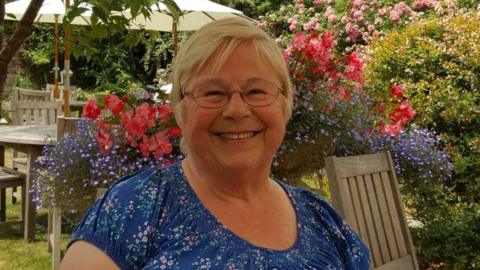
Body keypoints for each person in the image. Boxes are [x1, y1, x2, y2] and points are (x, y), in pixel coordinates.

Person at [60, 17, 371, 270]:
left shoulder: (322, 219)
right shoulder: (137, 206)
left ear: (285, 105)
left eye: (257, 92)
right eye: (212, 93)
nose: (236, 110)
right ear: (180, 109)